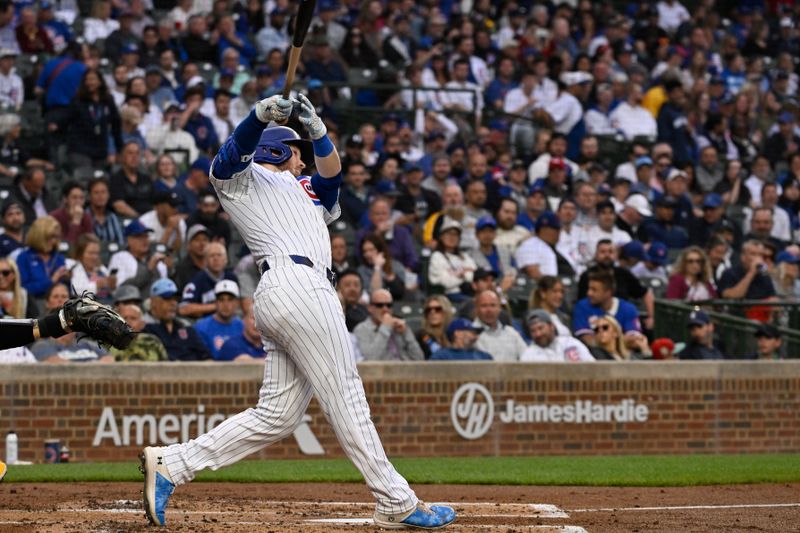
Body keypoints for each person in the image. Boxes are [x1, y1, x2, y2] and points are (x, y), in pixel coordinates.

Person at [140, 94, 456, 529]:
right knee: (346, 395)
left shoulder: (303, 190)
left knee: (277, 415)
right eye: (296, 154)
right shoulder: (244, 180)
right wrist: (258, 117)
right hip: (297, 285)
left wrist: (317, 131)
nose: (303, 162)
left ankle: (172, 463)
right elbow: (229, 157)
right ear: (273, 150)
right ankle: (396, 500)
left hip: (291, 292)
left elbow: (332, 178)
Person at [30, 283, 114, 364]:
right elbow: (58, 366)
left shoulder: (87, 343)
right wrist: (92, 365)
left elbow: (110, 360)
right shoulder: (43, 344)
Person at [573, 270, 645, 351]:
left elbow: (634, 340)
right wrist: (615, 340)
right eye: (589, 288)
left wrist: (604, 340)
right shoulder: (582, 306)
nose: (589, 293)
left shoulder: (628, 309)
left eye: (594, 290)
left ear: (608, 292)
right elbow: (586, 339)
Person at [142, 278, 210, 362]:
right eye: (167, 298)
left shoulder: (185, 325)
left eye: (175, 298)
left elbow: (205, 356)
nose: (173, 303)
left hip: (194, 372)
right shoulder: (143, 327)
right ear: (153, 302)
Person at [354, 288, 424, 361]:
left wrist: (406, 333)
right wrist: (385, 327)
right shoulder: (362, 329)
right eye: (380, 305)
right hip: (381, 371)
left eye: (389, 305)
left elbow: (419, 358)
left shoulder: (398, 326)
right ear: (370, 308)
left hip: (405, 369)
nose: (385, 309)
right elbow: (370, 359)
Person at [179, 242, 238, 319]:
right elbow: (183, 309)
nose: (216, 259)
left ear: (226, 260)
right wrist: (217, 306)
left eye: (219, 255)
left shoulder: (231, 278)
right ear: (205, 261)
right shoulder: (198, 279)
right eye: (212, 255)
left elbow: (239, 304)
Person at [15, 215, 67, 299]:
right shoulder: (23, 258)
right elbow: (23, 289)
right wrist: (51, 281)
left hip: (57, 305)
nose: (53, 241)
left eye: (56, 237)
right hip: (32, 305)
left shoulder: (59, 258)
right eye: (50, 237)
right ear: (39, 236)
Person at [108, 219, 163, 296]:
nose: (144, 240)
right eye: (139, 237)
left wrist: (170, 270)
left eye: (146, 236)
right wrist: (148, 270)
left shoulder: (155, 256)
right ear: (129, 240)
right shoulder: (120, 257)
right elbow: (122, 289)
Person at [427, 217, 477, 302]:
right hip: (447, 296)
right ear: (441, 237)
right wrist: (463, 275)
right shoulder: (437, 256)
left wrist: (456, 275)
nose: (452, 237)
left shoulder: (465, 257)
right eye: (448, 234)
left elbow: (475, 275)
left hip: (467, 293)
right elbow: (445, 282)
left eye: (455, 234)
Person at [194, 280, 244, 360]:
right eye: (221, 299)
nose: (226, 305)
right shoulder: (200, 328)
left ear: (237, 303)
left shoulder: (243, 327)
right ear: (215, 302)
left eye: (230, 299)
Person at [521, 309, 594, 362]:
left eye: (541, 328)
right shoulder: (528, 355)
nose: (538, 334)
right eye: (533, 331)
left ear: (551, 326)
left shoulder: (570, 343)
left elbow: (591, 366)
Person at [473, 289, 526, 362]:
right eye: (484, 306)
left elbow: (527, 357)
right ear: (476, 309)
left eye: (493, 305)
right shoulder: (471, 333)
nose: (489, 310)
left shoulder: (511, 333)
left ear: (499, 308)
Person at [67, 233, 116, 301]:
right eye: (91, 253)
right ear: (80, 253)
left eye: (96, 253)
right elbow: (76, 290)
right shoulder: (74, 267)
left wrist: (112, 286)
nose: (94, 257)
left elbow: (113, 293)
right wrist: (97, 285)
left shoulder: (101, 269)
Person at [357, 234, 405, 300]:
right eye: (365, 251)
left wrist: (387, 272)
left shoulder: (396, 265)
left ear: (380, 250)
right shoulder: (361, 271)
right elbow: (373, 293)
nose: (367, 254)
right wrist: (377, 268)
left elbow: (400, 291)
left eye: (371, 250)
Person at [415, 294, 453, 359]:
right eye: (428, 310)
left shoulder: (453, 334)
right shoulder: (422, 335)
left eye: (438, 309)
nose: (432, 312)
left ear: (446, 312)